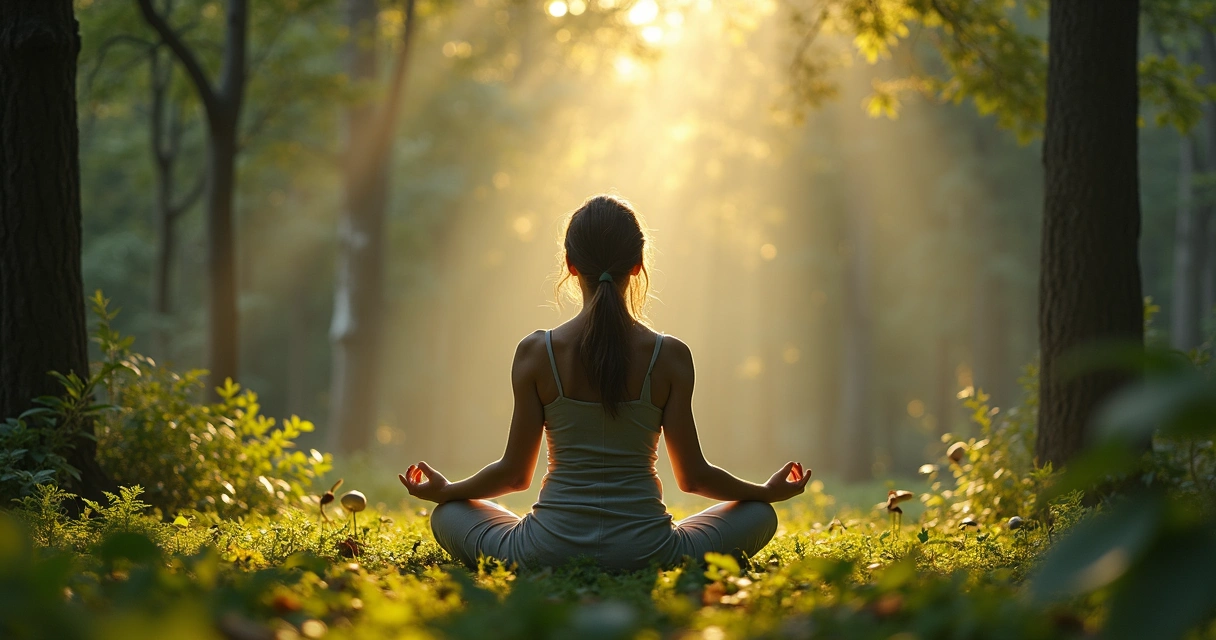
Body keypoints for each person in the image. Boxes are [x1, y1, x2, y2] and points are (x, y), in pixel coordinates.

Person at [399, 194, 811, 571]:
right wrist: (765, 493)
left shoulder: (536, 352)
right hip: (649, 552)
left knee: (448, 513)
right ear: (638, 264)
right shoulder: (669, 356)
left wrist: (447, 491)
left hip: (544, 550)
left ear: (570, 265)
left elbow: (513, 476)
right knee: (759, 515)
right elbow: (694, 478)